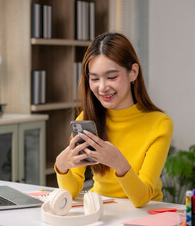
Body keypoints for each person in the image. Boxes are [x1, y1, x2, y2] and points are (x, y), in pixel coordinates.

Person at [55, 32, 173, 208]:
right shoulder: (88, 119)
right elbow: (71, 192)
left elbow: (141, 198)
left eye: (111, 77)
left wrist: (118, 162)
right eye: (94, 78)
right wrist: (61, 166)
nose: (102, 87)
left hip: (144, 215)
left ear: (133, 73)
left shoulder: (159, 124)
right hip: (100, 211)